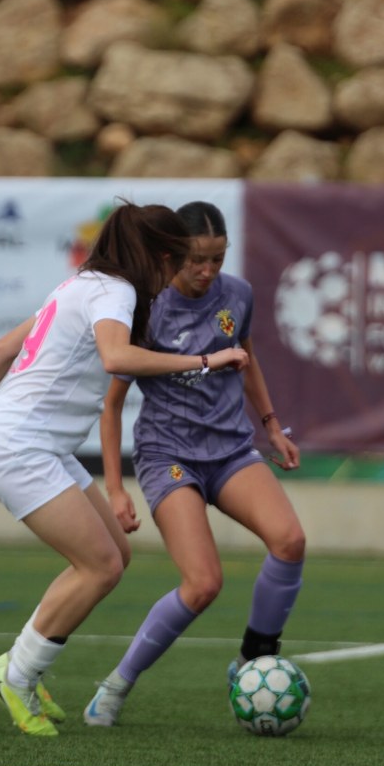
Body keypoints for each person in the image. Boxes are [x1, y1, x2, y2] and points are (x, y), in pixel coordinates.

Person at [0, 201, 249, 738]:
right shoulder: (115, 292)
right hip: (19, 448)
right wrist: (205, 360)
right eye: (177, 261)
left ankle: (21, 665)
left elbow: (2, 348)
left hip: (37, 446)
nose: (176, 274)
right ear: (160, 256)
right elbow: (116, 358)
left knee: (115, 556)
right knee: (98, 566)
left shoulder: (81, 284)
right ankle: (18, 676)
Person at [84, 200, 305, 727]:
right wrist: (115, 489)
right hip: (169, 456)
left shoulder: (238, 295)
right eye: (196, 260)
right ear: (171, 255)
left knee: (290, 541)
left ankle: (252, 659)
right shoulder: (147, 307)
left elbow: (247, 359)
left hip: (230, 450)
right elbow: (112, 407)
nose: (207, 270)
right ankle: (115, 686)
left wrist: (271, 426)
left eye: (217, 259)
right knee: (203, 584)